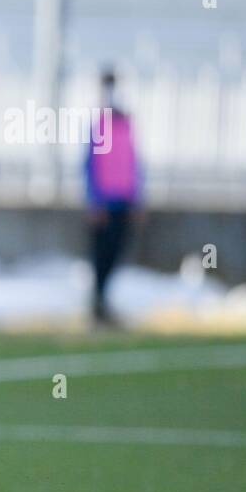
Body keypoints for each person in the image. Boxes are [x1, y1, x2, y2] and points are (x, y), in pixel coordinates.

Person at [85, 68, 142, 325]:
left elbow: (134, 163)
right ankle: (97, 304)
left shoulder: (126, 125)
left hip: (124, 201)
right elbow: (89, 165)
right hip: (105, 202)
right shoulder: (100, 125)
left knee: (116, 251)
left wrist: (137, 197)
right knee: (102, 254)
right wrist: (95, 200)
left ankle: (103, 301)